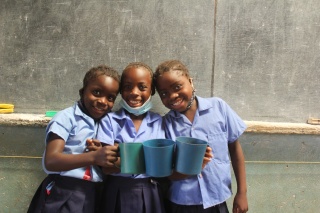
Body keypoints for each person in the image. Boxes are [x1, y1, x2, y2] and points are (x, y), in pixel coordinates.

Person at [153, 60, 249, 213]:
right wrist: (192, 166)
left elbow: (235, 150)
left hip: (217, 198)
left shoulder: (218, 108)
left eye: (177, 87)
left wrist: (242, 192)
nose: (172, 96)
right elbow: (165, 173)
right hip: (181, 202)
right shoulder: (164, 125)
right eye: (164, 93)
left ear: (190, 82)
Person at [27, 65, 121, 213]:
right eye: (96, 92)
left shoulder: (106, 123)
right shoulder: (66, 118)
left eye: (110, 98)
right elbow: (51, 161)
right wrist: (94, 157)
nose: (103, 101)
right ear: (82, 92)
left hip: (93, 194)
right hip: (63, 192)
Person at [96, 62, 167, 213]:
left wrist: (120, 154)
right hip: (116, 190)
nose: (134, 93)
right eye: (128, 87)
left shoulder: (158, 122)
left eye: (142, 87)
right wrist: (147, 158)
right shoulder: (109, 120)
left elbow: (160, 165)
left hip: (150, 191)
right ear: (121, 90)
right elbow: (107, 167)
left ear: (152, 90)